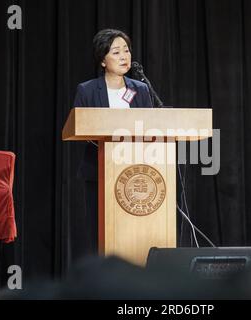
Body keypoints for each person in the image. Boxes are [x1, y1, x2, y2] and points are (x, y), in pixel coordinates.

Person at [73, 29, 153, 254]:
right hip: (99, 171)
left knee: (135, 234)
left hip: (137, 173)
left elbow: (151, 126)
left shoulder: (141, 89)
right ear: (102, 60)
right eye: (116, 52)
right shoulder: (87, 90)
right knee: (101, 233)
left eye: (126, 51)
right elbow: (79, 127)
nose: (124, 56)